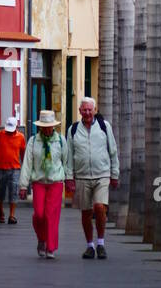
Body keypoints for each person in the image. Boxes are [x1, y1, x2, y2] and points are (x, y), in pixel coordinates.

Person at [64, 97, 120, 259]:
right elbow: (69, 155)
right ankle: (90, 245)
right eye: (85, 110)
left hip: (102, 174)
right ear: (80, 111)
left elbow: (113, 150)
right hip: (81, 176)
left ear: (95, 110)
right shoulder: (73, 129)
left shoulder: (104, 126)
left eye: (90, 110)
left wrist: (114, 174)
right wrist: (69, 177)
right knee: (86, 212)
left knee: (99, 207)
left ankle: (101, 243)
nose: (87, 113)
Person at [19, 109, 67, 259]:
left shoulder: (60, 140)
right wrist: (23, 185)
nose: (47, 129)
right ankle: (42, 239)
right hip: (39, 182)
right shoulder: (33, 141)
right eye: (44, 126)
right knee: (39, 215)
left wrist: (66, 177)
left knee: (50, 216)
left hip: (55, 182)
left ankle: (50, 248)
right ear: (40, 126)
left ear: (53, 126)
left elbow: (66, 161)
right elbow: (27, 163)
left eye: (50, 126)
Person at [0, 115, 26, 225]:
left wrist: (25, 165)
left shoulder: (21, 137)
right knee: (0, 192)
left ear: (16, 127)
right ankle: (1, 212)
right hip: (0, 167)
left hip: (15, 168)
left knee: (13, 191)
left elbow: (23, 153)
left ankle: (12, 215)